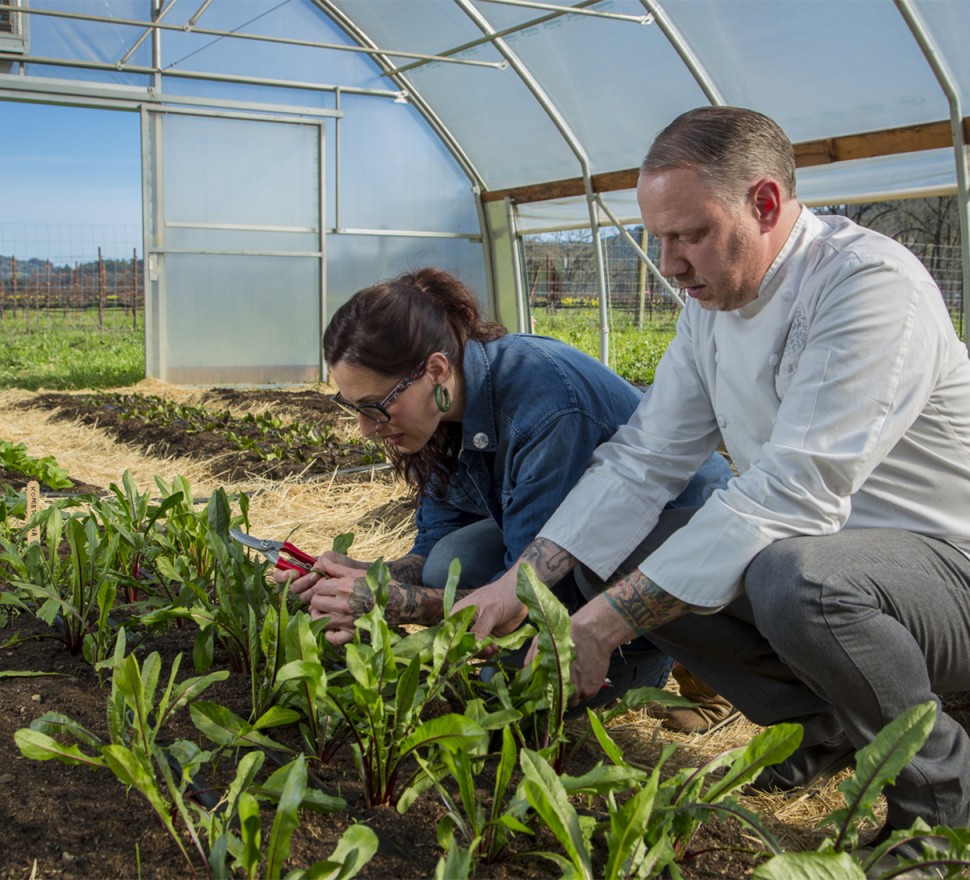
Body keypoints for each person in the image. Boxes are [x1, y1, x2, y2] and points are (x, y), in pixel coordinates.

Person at [455, 107, 970, 844]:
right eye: (660, 240)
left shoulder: (867, 285)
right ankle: (825, 727)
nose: (671, 265)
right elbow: (643, 459)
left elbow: (793, 490)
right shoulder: (713, 305)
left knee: (792, 576)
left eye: (691, 236)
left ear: (765, 203)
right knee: (615, 555)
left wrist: (601, 625)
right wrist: (522, 587)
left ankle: (937, 804)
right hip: (841, 560)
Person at [275, 267, 735, 710]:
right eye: (352, 407)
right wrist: (367, 577)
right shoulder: (439, 412)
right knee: (451, 560)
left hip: (673, 536)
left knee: (516, 692)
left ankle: (662, 652)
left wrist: (398, 605)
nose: (365, 429)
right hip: (574, 542)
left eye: (375, 407)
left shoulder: (545, 407)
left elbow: (536, 595)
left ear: (435, 370)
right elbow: (438, 540)